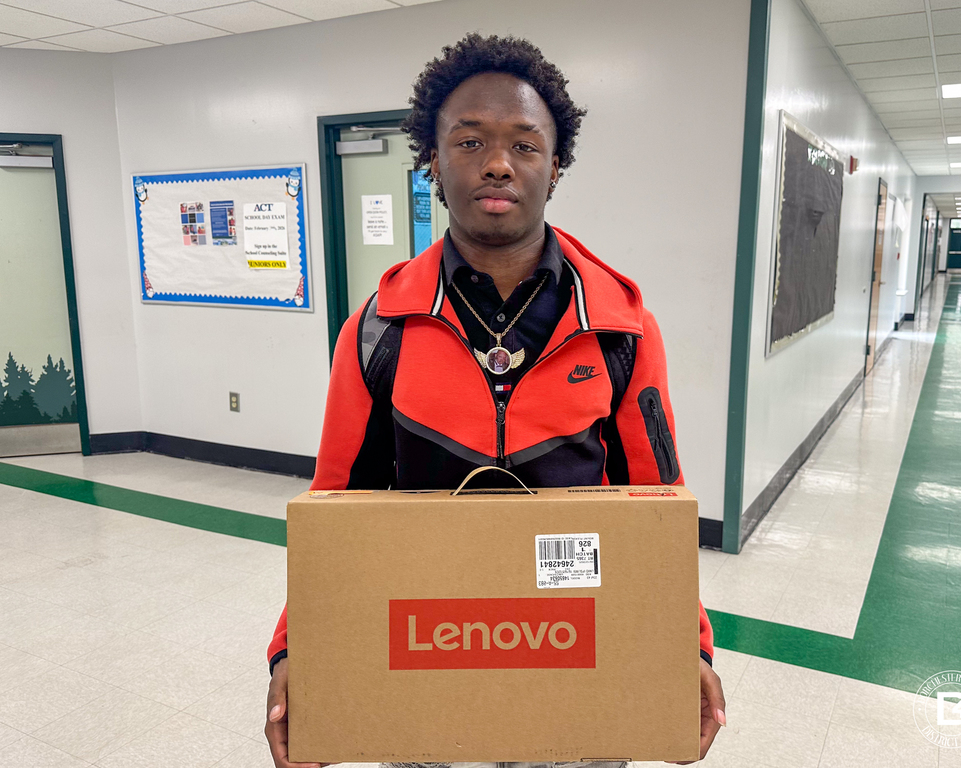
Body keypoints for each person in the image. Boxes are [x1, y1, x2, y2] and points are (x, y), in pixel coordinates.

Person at [265, 33, 724, 768]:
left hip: (578, 634)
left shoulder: (621, 329)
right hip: (426, 639)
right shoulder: (376, 331)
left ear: (555, 165)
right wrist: (296, 650)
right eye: (470, 140)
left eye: (525, 144)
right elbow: (335, 507)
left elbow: (658, 504)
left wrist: (688, 646)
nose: (499, 163)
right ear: (433, 164)